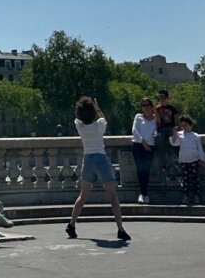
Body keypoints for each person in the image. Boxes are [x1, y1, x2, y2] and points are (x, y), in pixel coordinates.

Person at [65, 97, 131, 242]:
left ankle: (72, 224)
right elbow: (103, 119)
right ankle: (120, 228)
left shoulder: (80, 127)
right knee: (112, 196)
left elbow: (77, 119)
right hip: (100, 159)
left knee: (82, 196)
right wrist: (98, 107)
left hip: (87, 160)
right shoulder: (98, 125)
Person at [171, 114, 205, 207]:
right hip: (184, 160)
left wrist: (202, 159)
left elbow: (199, 148)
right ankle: (186, 196)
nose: (184, 127)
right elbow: (174, 143)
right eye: (182, 126)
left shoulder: (195, 136)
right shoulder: (180, 134)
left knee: (195, 179)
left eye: (186, 125)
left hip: (194, 160)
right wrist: (174, 133)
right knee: (185, 180)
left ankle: (196, 196)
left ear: (190, 125)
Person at [130, 99, 156, 203]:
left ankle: (145, 193)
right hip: (138, 145)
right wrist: (143, 142)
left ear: (151, 106)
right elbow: (134, 130)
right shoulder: (138, 117)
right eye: (143, 105)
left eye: (148, 105)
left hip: (150, 146)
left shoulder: (156, 119)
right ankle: (143, 194)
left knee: (146, 170)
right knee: (140, 169)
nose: (146, 107)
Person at [153, 89, 179, 178]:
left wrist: (176, 128)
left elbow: (176, 119)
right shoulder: (157, 108)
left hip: (170, 128)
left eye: (163, 97)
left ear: (167, 98)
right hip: (162, 129)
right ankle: (163, 166)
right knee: (161, 146)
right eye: (160, 97)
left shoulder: (172, 108)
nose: (162, 99)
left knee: (170, 146)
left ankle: (172, 165)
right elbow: (157, 119)